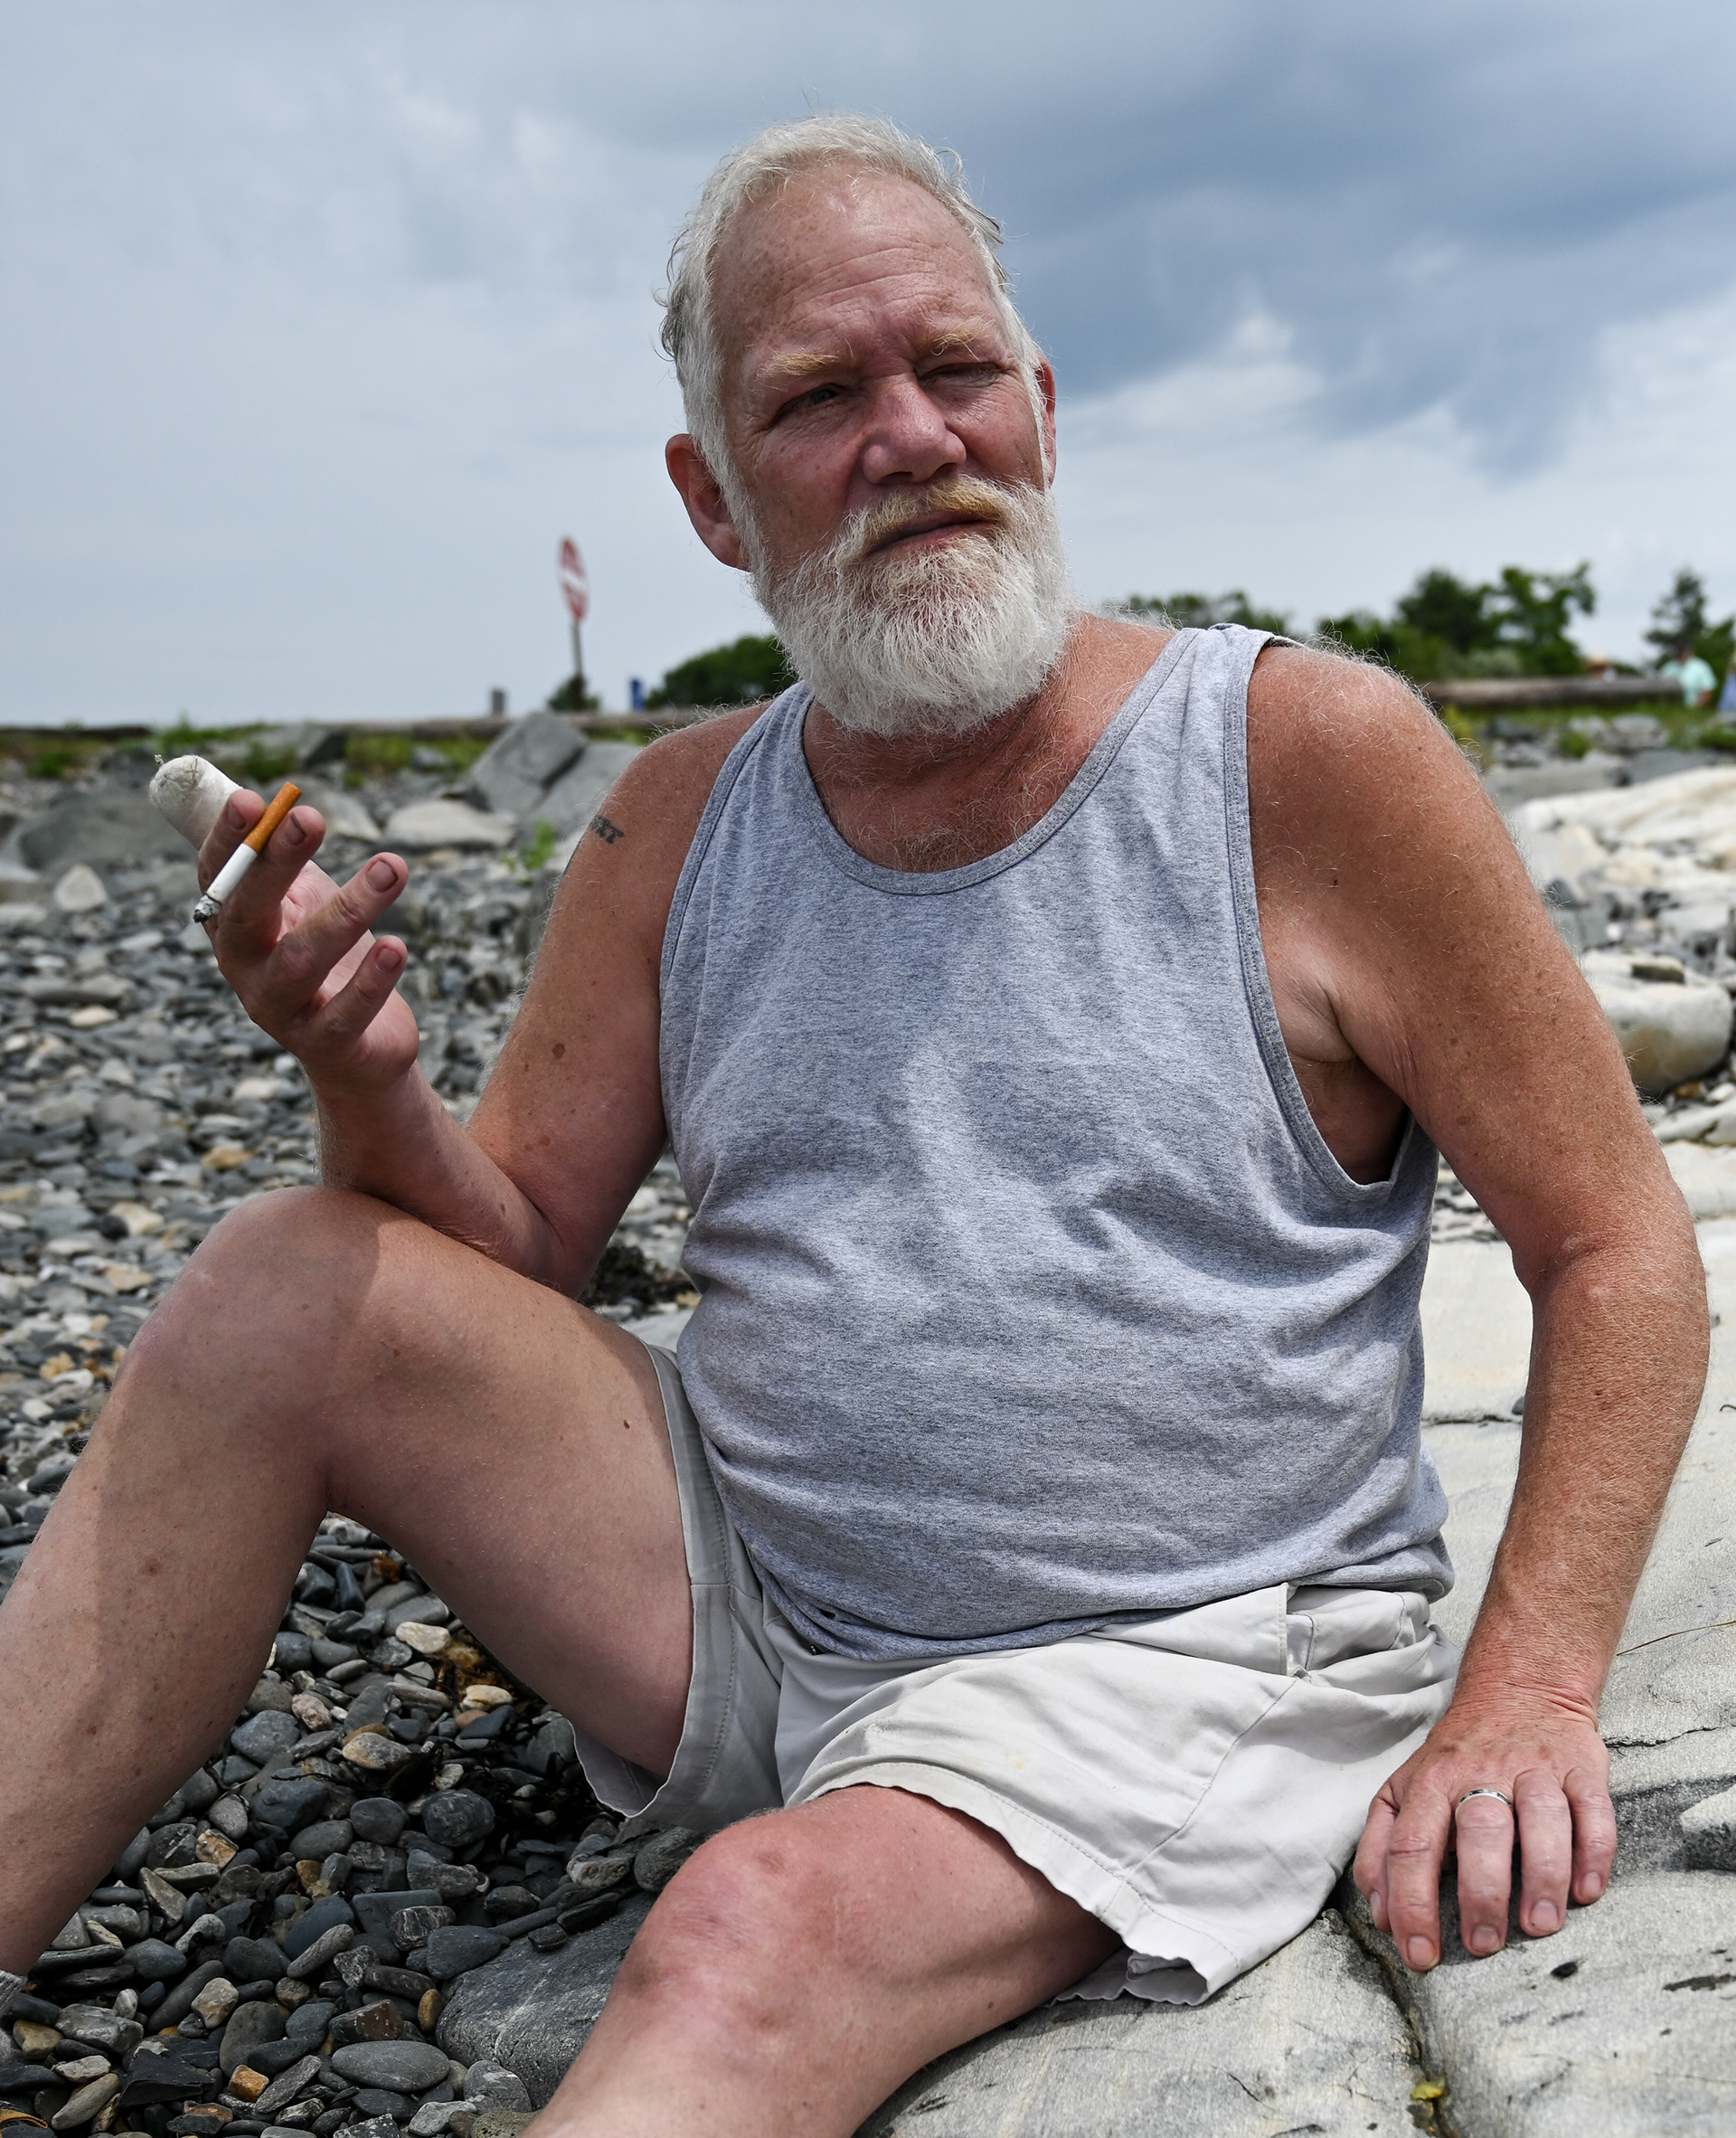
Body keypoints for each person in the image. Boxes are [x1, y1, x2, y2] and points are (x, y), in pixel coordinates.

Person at [0, 117, 1708, 2137]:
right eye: (818, 398)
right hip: (748, 1598)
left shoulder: (1304, 760)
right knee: (283, 1283)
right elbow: (514, 1256)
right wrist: (360, 1077)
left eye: (956, 369)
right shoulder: (672, 819)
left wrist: (1525, 1691)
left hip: (1169, 1656)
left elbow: (1620, 1246)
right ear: (713, 500)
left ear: (1044, 411)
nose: (914, 436)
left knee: (748, 1935)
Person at [1662, 639, 1717, 708]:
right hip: (1670, 709)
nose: (1681, 655)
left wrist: (1695, 708)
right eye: (1679, 652)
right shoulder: (1668, 668)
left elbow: (1707, 691)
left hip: (1692, 709)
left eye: (1683, 652)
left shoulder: (1701, 667)